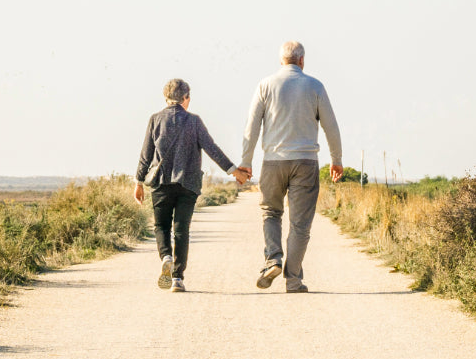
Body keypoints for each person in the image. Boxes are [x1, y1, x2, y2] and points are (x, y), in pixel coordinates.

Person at [235, 41, 343, 293]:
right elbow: (331, 126)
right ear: (302, 61)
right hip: (305, 161)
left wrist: (246, 161)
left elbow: (251, 127)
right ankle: (293, 279)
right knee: (300, 225)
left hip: (273, 160)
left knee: (271, 213)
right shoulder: (315, 86)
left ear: (281, 60)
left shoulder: (265, 85)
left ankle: (273, 258)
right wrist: (336, 159)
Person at [134, 78, 249, 292]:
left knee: (161, 226)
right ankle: (177, 278)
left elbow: (146, 154)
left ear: (165, 98)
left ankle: (166, 256)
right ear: (186, 98)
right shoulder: (194, 121)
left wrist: (139, 181)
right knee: (181, 230)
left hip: (161, 183)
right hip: (188, 183)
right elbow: (211, 149)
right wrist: (235, 171)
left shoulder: (155, 120)